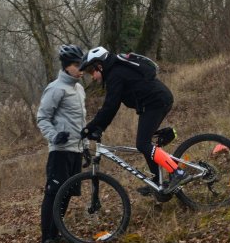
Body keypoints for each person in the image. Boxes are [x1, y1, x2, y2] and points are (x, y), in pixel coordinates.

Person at [78, 46, 192, 195]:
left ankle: (178, 173)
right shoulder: (115, 71)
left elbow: (110, 107)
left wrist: (90, 128)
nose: (92, 77)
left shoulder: (115, 74)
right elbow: (111, 107)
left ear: (100, 66)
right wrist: (99, 127)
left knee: (142, 144)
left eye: (92, 72)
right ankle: (157, 183)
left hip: (156, 102)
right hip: (153, 103)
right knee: (144, 143)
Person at [36, 44, 86, 243]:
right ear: (67, 67)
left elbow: (81, 121)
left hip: (76, 149)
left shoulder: (80, 88)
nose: (81, 68)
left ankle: (58, 232)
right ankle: (47, 239)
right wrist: (55, 135)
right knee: (54, 193)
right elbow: (42, 118)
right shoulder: (56, 88)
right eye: (77, 65)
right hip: (60, 151)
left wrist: (86, 148)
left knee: (66, 194)